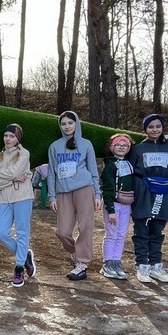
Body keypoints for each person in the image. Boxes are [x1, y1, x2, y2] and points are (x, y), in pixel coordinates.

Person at [127, 114, 168, 283]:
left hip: (164, 193)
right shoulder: (138, 149)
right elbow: (129, 173)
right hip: (143, 192)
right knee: (142, 230)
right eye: (151, 127)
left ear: (162, 128)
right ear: (145, 129)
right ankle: (142, 265)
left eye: (158, 126)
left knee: (157, 231)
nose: (154, 130)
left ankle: (155, 265)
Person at [46, 111, 102, 281]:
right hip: (63, 192)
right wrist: (52, 196)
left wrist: (97, 194)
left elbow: (93, 170)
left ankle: (82, 263)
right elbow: (51, 173)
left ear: (76, 124)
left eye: (70, 123)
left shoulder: (86, 144)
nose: (67, 126)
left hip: (85, 189)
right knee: (62, 231)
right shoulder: (55, 146)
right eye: (63, 124)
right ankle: (75, 251)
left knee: (85, 226)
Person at [0, 124, 35, 288]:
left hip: (22, 196)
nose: (8, 139)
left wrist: (7, 177)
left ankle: (19, 267)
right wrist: (12, 179)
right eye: (6, 135)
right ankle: (24, 255)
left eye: (11, 136)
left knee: (22, 231)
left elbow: (9, 174)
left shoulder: (24, 153)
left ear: (17, 138)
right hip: (4, 199)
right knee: (0, 232)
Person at [99, 134, 134, 280]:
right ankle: (107, 263)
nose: (121, 147)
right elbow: (107, 189)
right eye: (118, 144)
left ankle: (116, 261)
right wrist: (110, 210)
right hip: (113, 204)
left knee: (121, 235)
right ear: (112, 147)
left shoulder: (129, 164)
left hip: (126, 204)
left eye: (124, 145)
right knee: (111, 233)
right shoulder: (110, 166)